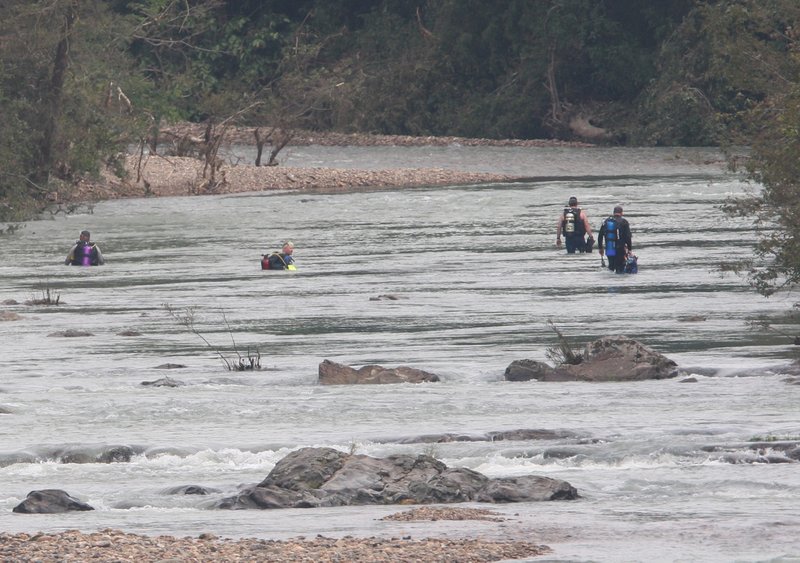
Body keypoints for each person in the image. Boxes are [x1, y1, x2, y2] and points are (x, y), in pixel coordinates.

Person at [597, 205, 632, 274]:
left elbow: (600, 236)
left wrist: (600, 248)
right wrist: (629, 249)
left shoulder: (606, 222)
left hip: (609, 248)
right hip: (620, 249)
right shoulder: (624, 222)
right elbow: (628, 237)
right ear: (621, 213)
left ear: (613, 213)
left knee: (611, 268)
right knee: (620, 269)